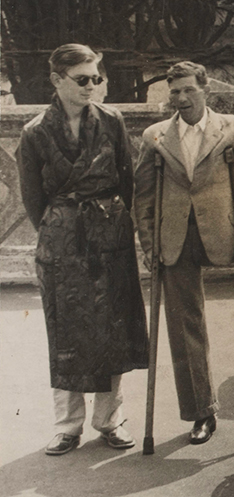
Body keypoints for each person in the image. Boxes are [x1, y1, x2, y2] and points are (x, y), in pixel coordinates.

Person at [16, 43, 147, 455]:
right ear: (57, 81)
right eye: (83, 79)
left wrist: (116, 228)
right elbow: (33, 198)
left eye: (97, 78)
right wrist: (60, 231)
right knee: (65, 329)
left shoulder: (111, 122)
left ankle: (110, 419)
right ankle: (67, 425)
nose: (92, 86)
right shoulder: (35, 132)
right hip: (62, 238)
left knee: (114, 326)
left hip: (109, 235)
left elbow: (126, 180)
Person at [133, 61, 234, 444]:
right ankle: (201, 412)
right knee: (183, 326)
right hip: (175, 239)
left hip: (226, 234)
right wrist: (150, 244)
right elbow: (142, 197)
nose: (181, 98)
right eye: (174, 91)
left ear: (205, 89)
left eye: (188, 90)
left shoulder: (233, 128)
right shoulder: (155, 135)